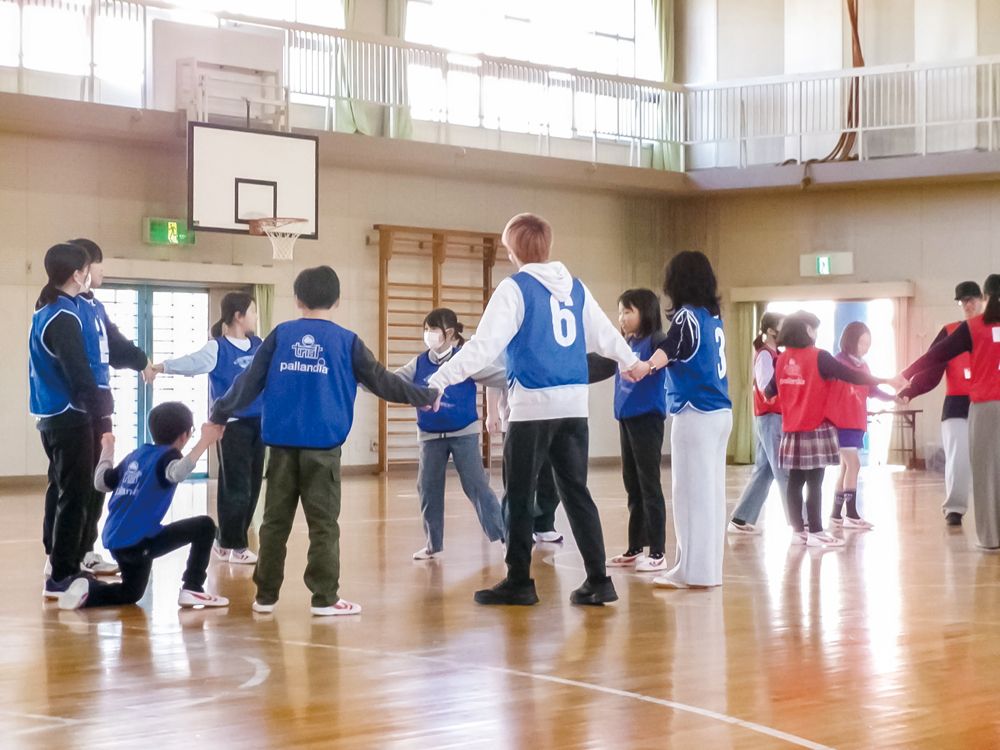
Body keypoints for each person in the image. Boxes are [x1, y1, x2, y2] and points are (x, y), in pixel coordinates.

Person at [428, 213, 642, 606]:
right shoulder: (576, 288)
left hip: (532, 405)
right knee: (576, 491)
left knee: (519, 495)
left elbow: (482, 348)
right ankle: (599, 580)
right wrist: (631, 362)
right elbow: (606, 335)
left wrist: (439, 380)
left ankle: (519, 581)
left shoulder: (515, 289)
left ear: (513, 250)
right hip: (573, 406)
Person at [210, 266, 439, 616]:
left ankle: (265, 597)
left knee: (274, 524)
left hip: (281, 448)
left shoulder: (280, 335)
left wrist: (220, 412)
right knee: (323, 527)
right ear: (337, 301)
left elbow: (248, 381)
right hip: (323, 451)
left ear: (297, 300)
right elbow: (383, 381)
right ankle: (325, 598)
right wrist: (425, 395)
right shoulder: (347, 341)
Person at [58, 403, 229, 610]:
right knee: (205, 527)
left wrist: (108, 450)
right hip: (138, 543)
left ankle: (88, 590)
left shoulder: (137, 455)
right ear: (185, 435)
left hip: (116, 541)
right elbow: (178, 472)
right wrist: (204, 442)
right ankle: (192, 587)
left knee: (130, 593)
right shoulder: (169, 456)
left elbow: (101, 482)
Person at [630, 253, 732, 588]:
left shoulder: (687, 315)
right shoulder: (712, 318)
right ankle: (706, 570)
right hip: (720, 412)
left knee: (691, 496)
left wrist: (647, 366)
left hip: (695, 411)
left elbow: (673, 346)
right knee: (712, 497)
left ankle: (693, 572)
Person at [765, 311, 903, 549]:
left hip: (791, 429)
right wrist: (886, 380)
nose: (816, 334)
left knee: (794, 481)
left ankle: (798, 531)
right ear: (808, 330)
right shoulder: (819, 356)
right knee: (814, 482)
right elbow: (852, 376)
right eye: (814, 329)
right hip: (815, 427)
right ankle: (816, 531)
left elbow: (769, 392)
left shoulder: (781, 359)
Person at [57, 238, 153, 578]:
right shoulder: (66, 309)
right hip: (78, 408)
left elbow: (115, 346)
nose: (102, 271)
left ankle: (82, 550)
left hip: (99, 406)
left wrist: (142, 361)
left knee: (93, 482)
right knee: (73, 485)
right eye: (97, 264)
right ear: (81, 270)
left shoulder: (94, 306)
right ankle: (62, 554)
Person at [152, 292, 265, 564]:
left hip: (259, 423)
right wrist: (163, 367)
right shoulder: (218, 348)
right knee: (235, 487)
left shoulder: (259, 345)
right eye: (252, 311)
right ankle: (236, 546)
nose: (256, 316)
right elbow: (191, 363)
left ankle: (225, 543)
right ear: (239, 316)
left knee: (252, 486)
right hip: (231, 426)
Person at [31, 244, 116, 598]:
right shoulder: (63, 316)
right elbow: (79, 375)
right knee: (76, 497)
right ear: (77, 274)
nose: (90, 273)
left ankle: (66, 565)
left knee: (72, 493)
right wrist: (102, 417)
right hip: (69, 417)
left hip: (56, 417)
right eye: (87, 268)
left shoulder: (49, 309)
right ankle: (61, 575)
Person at [395, 308, 506, 560]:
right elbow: (392, 380)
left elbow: (495, 375)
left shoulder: (463, 360)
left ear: (451, 333)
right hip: (430, 435)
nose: (429, 334)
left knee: (476, 486)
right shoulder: (418, 363)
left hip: (463, 432)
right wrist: (362, 378)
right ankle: (433, 544)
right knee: (428, 488)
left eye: (434, 329)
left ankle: (503, 536)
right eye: (426, 329)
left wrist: (524, 377)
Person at [898, 275, 1000, 551]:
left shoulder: (975, 328)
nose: (967, 305)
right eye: (962, 302)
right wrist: (911, 388)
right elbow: (935, 364)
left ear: (983, 299)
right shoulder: (954, 329)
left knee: (986, 469)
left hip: (983, 404)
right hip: (958, 403)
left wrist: (905, 373)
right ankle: (955, 508)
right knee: (960, 458)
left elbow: (933, 357)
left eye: (972, 299)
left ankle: (991, 536)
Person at [589, 289, 669, 572]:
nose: (621, 318)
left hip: (647, 419)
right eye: (620, 312)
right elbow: (598, 365)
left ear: (644, 312)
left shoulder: (655, 341)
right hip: (626, 419)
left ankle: (658, 552)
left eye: (627, 311)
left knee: (649, 485)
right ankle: (635, 548)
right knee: (632, 485)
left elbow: (669, 353)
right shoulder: (625, 344)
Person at [826, 321, 895, 529]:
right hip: (841, 423)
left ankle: (836, 515)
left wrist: (894, 398)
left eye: (868, 344)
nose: (865, 348)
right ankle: (851, 514)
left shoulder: (864, 366)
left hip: (856, 423)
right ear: (851, 341)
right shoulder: (837, 363)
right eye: (862, 343)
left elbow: (872, 390)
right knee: (854, 464)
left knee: (846, 467)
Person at [729, 311, 788, 535]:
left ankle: (741, 518)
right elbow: (764, 387)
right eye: (782, 325)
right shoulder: (765, 355)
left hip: (771, 417)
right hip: (770, 417)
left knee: (764, 470)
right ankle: (801, 522)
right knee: (783, 470)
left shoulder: (776, 354)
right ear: (771, 331)